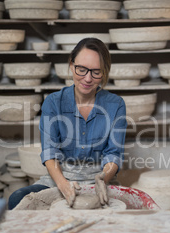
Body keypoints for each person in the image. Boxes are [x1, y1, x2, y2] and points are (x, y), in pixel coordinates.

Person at [8, 38, 127, 210]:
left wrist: (103, 178)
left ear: (104, 72)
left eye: (96, 72)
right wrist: (63, 184)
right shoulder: (53, 102)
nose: (88, 78)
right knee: (17, 199)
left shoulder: (115, 104)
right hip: (60, 177)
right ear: (71, 65)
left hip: (99, 180)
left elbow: (113, 154)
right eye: (81, 69)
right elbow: (50, 152)